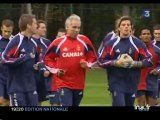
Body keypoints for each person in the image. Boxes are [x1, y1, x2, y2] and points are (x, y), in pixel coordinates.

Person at [44, 14, 97, 106]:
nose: (76, 30)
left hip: (79, 83)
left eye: (78, 27)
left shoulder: (84, 40)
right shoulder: (58, 42)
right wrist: (56, 70)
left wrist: (87, 64)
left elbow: (93, 57)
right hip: (63, 83)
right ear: (67, 27)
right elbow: (47, 59)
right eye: (74, 27)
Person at [98, 16, 153, 106]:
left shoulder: (138, 43)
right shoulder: (111, 44)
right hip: (116, 83)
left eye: (128, 25)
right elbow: (100, 61)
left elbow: (149, 60)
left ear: (131, 28)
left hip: (132, 84)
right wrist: (116, 62)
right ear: (119, 28)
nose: (126, 27)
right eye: (123, 25)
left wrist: (134, 63)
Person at [1, 14, 39, 106]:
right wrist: (25, 58)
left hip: (31, 88)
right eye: (34, 23)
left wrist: (38, 66)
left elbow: (37, 61)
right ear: (28, 26)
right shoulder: (16, 41)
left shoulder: (34, 42)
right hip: (17, 89)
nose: (36, 26)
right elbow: (4, 60)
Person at [136, 27, 160, 106]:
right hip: (139, 81)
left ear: (151, 36)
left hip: (152, 81)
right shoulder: (135, 49)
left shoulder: (157, 50)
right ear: (140, 36)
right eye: (144, 34)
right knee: (141, 105)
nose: (146, 36)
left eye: (148, 34)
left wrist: (158, 70)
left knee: (152, 105)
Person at [32, 20, 51, 106]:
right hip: (31, 77)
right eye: (42, 28)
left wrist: (47, 69)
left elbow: (50, 59)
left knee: (39, 102)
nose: (45, 29)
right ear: (36, 29)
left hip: (42, 78)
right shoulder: (29, 41)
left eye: (45, 27)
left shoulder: (47, 42)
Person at [47, 28, 65, 106]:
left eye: (62, 37)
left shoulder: (69, 52)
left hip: (66, 85)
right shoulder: (51, 50)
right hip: (54, 85)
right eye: (58, 36)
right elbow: (45, 61)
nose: (60, 39)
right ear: (56, 37)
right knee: (54, 105)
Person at [0, 19, 14, 106]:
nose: (6, 33)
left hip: (12, 77)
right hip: (0, 77)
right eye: (5, 31)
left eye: (9, 31)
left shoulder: (15, 41)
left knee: (11, 102)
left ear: (12, 29)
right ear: (1, 28)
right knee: (1, 101)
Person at [152, 24, 160, 101]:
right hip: (154, 77)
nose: (157, 35)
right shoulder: (150, 45)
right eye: (156, 34)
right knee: (154, 100)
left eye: (159, 34)